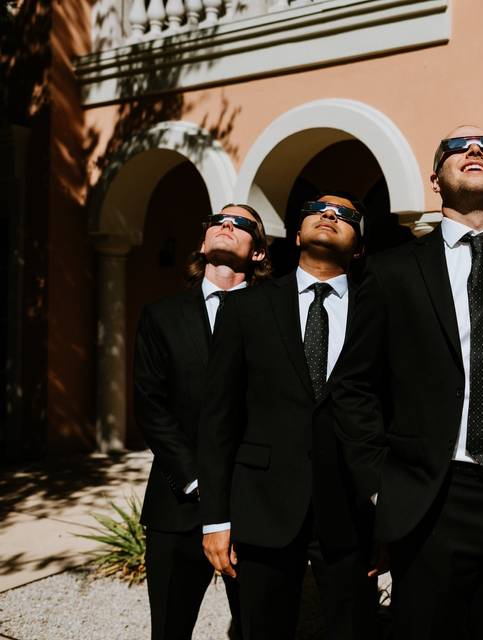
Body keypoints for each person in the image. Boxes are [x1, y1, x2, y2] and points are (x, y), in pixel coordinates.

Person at [329, 126, 483, 639]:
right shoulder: (390, 273)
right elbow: (352, 388)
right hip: (433, 498)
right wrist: (379, 487)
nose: (474, 150)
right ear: (436, 180)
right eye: (456, 147)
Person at [198, 194, 377, 640]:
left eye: (347, 214)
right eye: (318, 208)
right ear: (296, 234)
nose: (330, 215)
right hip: (262, 505)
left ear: (358, 247)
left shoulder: (378, 310)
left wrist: (390, 514)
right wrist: (216, 519)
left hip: (351, 513)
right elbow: (219, 419)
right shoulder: (246, 308)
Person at [134, 203, 271, 639]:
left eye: (242, 223)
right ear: (203, 241)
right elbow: (151, 408)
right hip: (177, 503)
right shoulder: (161, 316)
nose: (227, 224)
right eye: (218, 220)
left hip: (254, 507)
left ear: (258, 253)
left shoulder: (279, 315)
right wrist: (200, 482)